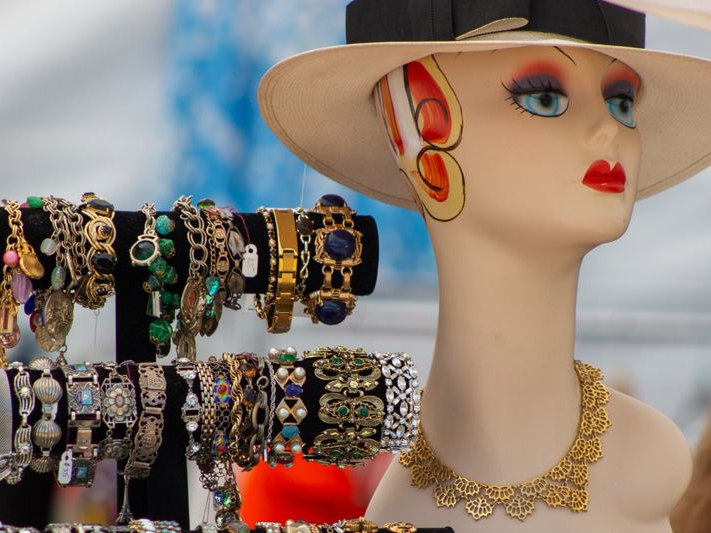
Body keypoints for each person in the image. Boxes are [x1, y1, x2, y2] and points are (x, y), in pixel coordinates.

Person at [258, 0, 711, 531]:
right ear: (416, 126)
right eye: (545, 97)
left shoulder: (650, 463)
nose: (607, 131)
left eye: (621, 102)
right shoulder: (398, 513)